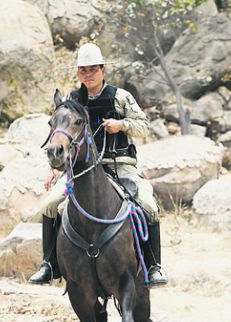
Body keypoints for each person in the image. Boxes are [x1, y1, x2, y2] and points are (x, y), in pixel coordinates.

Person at [29, 43, 169, 288]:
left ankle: (153, 266)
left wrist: (121, 125)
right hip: (81, 170)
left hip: (119, 165)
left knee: (148, 205)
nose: (88, 74)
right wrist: (55, 168)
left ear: (103, 70)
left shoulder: (121, 97)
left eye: (93, 69)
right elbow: (61, 136)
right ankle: (49, 264)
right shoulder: (72, 101)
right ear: (78, 73)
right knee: (50, 205)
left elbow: (144, 127)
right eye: (83, 70)